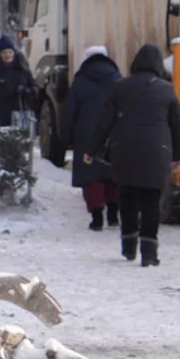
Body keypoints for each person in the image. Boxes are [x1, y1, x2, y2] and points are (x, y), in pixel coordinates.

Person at [86, 43, 180, 267]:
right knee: (151, 200)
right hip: (157, 151)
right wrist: (178, 155)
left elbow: (104, 122)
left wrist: (91, 150)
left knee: (127, 197)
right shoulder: (166, 89)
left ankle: (129, 246)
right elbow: (179, 126)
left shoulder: (120, 87)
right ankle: (149, 253)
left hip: (124, 150)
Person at [63, 45, 121, 231]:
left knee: (91, 176)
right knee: (113, 173)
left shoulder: (80, 81)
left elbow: (69, 112)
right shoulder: (118, 79)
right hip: (113, 132)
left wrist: (66, 138)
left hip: (86, 134)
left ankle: (97, 218)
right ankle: (113, 214)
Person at [0, 37, 37, 128]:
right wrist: (9, 89)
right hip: (1, 116)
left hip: (22, 114)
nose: (7, 55)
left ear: (14, 53)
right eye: (4, 53)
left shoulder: (22, 68)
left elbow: (34, 87)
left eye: (10, 52)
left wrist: (26, 91)